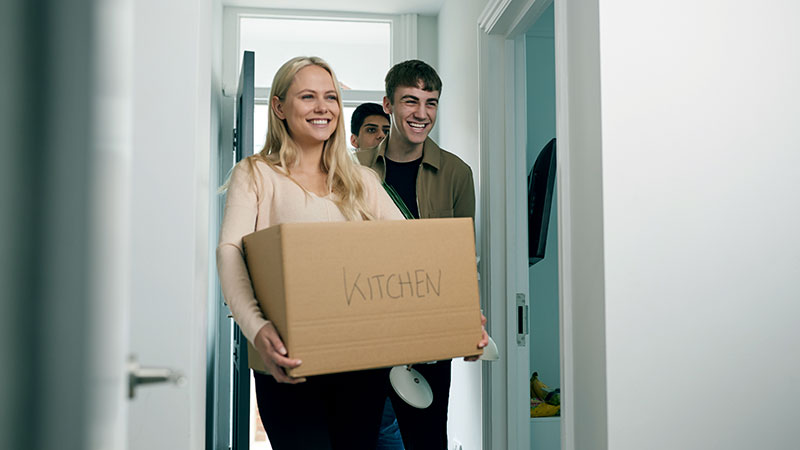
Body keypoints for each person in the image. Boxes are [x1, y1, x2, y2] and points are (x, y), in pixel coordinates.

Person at [216, 56, 406, 450]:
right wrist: (255, 327)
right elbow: (230, 251)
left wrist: (457, 309)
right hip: (288, 361)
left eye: (331, 97)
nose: (323, 108)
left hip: (360, 361)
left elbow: (411, 249)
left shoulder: (361, 181)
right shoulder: (255, 175)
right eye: (308, 96)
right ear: (280, 106)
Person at [356, 59, 487, 450]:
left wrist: (468, 323)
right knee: (359, 435)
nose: (422, 113)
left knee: (426, 439)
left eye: (431, 103)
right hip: (365, 330)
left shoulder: (456, 173)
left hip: (427, 334)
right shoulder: (354, 170)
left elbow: (464, 259)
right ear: (388, 105)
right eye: (410, 101)